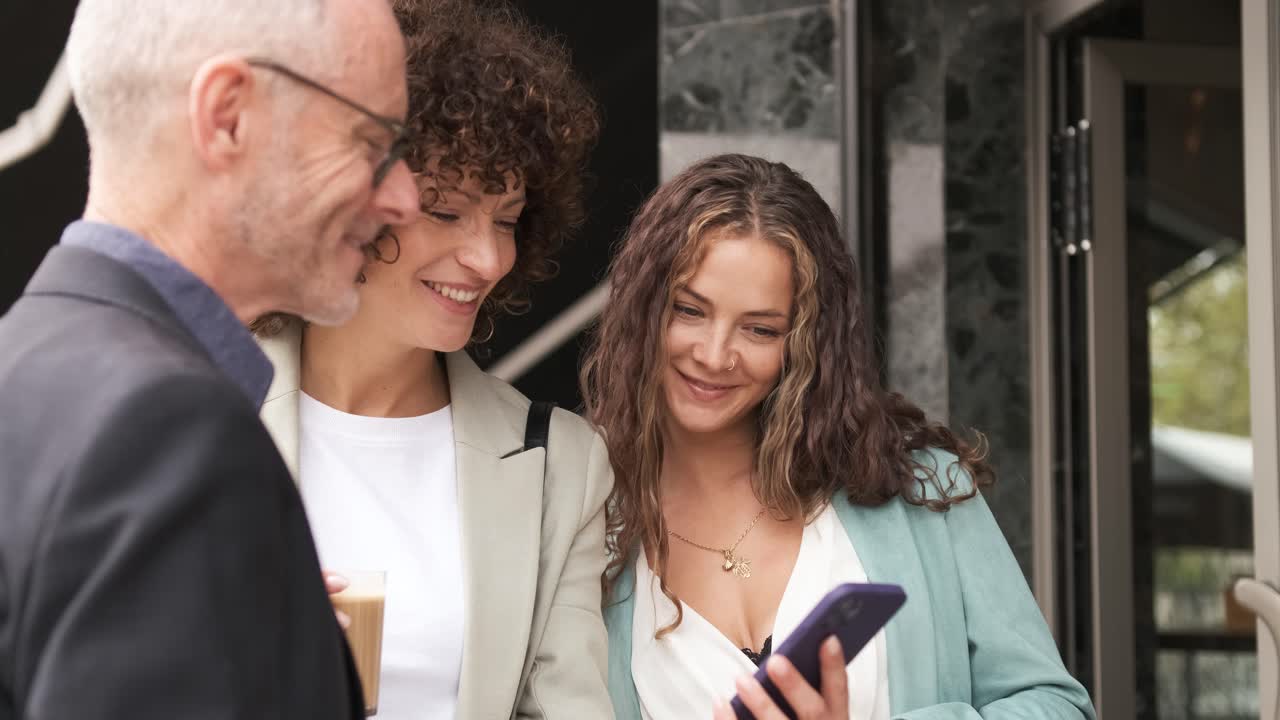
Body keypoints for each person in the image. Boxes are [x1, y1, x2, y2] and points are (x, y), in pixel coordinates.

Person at [0, 0, 419, 716]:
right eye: (372, 141)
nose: (405, 195)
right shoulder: (169, 432)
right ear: (227, 116)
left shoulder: (25, 360)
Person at [581, 154, 1096, 719]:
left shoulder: (918, 488)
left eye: (760, 328)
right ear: (642, 307)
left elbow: (1058, 708)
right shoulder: (581, 522)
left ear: (806, 342)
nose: (714, 354)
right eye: (688, 310)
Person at [251, 0, 610, 717]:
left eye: (507, 221)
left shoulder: (557, 462)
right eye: (446, 211)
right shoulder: (200, 401)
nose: (486, 258)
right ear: (348, 197)